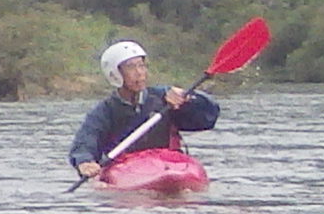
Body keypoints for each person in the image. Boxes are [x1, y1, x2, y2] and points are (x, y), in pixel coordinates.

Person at [71, 38, 227, 174]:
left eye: (141, 65)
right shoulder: (104, 111)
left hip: (169, 165)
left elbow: (208, 117)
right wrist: (85, 162)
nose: (140, 73)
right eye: (131, 67)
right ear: (114, 74)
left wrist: (190, 99)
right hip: (127, 170)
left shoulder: (164, 98)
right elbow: (85, 141)